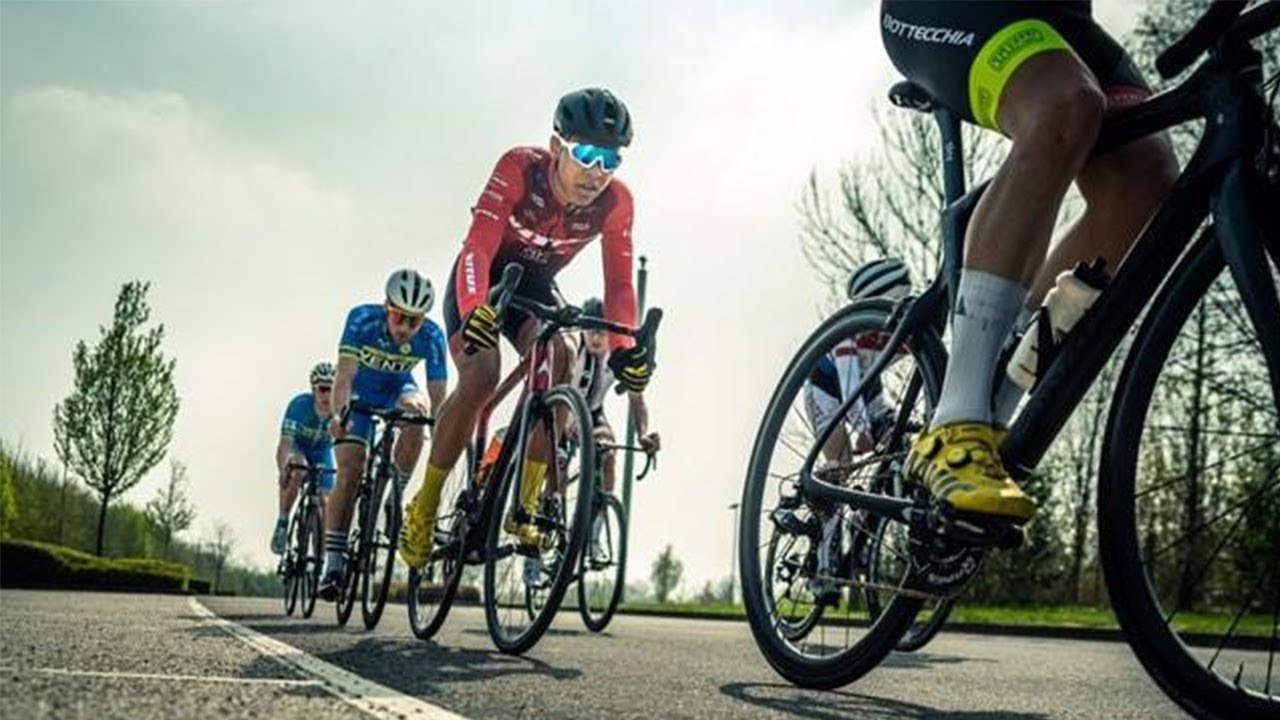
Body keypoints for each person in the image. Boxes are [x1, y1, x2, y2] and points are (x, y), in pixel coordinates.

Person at [880, 1, 1178, 522]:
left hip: (1059, 20)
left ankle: (1001, 387)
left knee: (1147, 174)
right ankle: (955, 421)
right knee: (1064, 103)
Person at [398, 87, 652, 570]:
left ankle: (524, 504)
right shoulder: (520, 168)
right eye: (586, 154)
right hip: (486, 276)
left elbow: (620, 286)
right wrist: (475, 309)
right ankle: (424, 506)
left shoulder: (616, 203)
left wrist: (625, 348)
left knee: (564, 354)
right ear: (557, 147)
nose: (598, 172)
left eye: (611, 160)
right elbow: (478, 244)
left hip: (534, 286)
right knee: (481, 374)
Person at [317, 269, 448, 600]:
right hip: (358, 393)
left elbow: (437, 394)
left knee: (418, 415)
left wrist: (440, 428)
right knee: (349, 471)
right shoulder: (362, 320)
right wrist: (337, 415)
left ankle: (395, 495)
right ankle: (333, 564)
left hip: (397, 389)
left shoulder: (432, 336)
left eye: (414, 321)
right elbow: (344, 375)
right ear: (386, 306)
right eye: (398, 317)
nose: (405, 329)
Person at [568, 297, 660, 560]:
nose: (597, 338)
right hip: (563, 410)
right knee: (558, 461)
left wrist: (643, 433)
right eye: (591, 331)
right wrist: (566, 423)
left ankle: (593, 536)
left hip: (593, 412)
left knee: (609, 453)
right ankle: (548, 519)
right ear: (582, 330)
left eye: (603, 332)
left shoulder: (615, 355)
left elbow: (637, 399)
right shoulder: (574, 349)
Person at [271, 362, 336, 556]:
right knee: (298, 470)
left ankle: (321, 560)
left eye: (332, 390)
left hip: (322, 452)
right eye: (323, 389)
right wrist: (283, 469)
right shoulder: (299, 406)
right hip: (298, 447)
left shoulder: (339, 410)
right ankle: (283, 522)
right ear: (313, 389)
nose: (327, 395)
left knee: (327, 501)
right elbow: (284, 444)